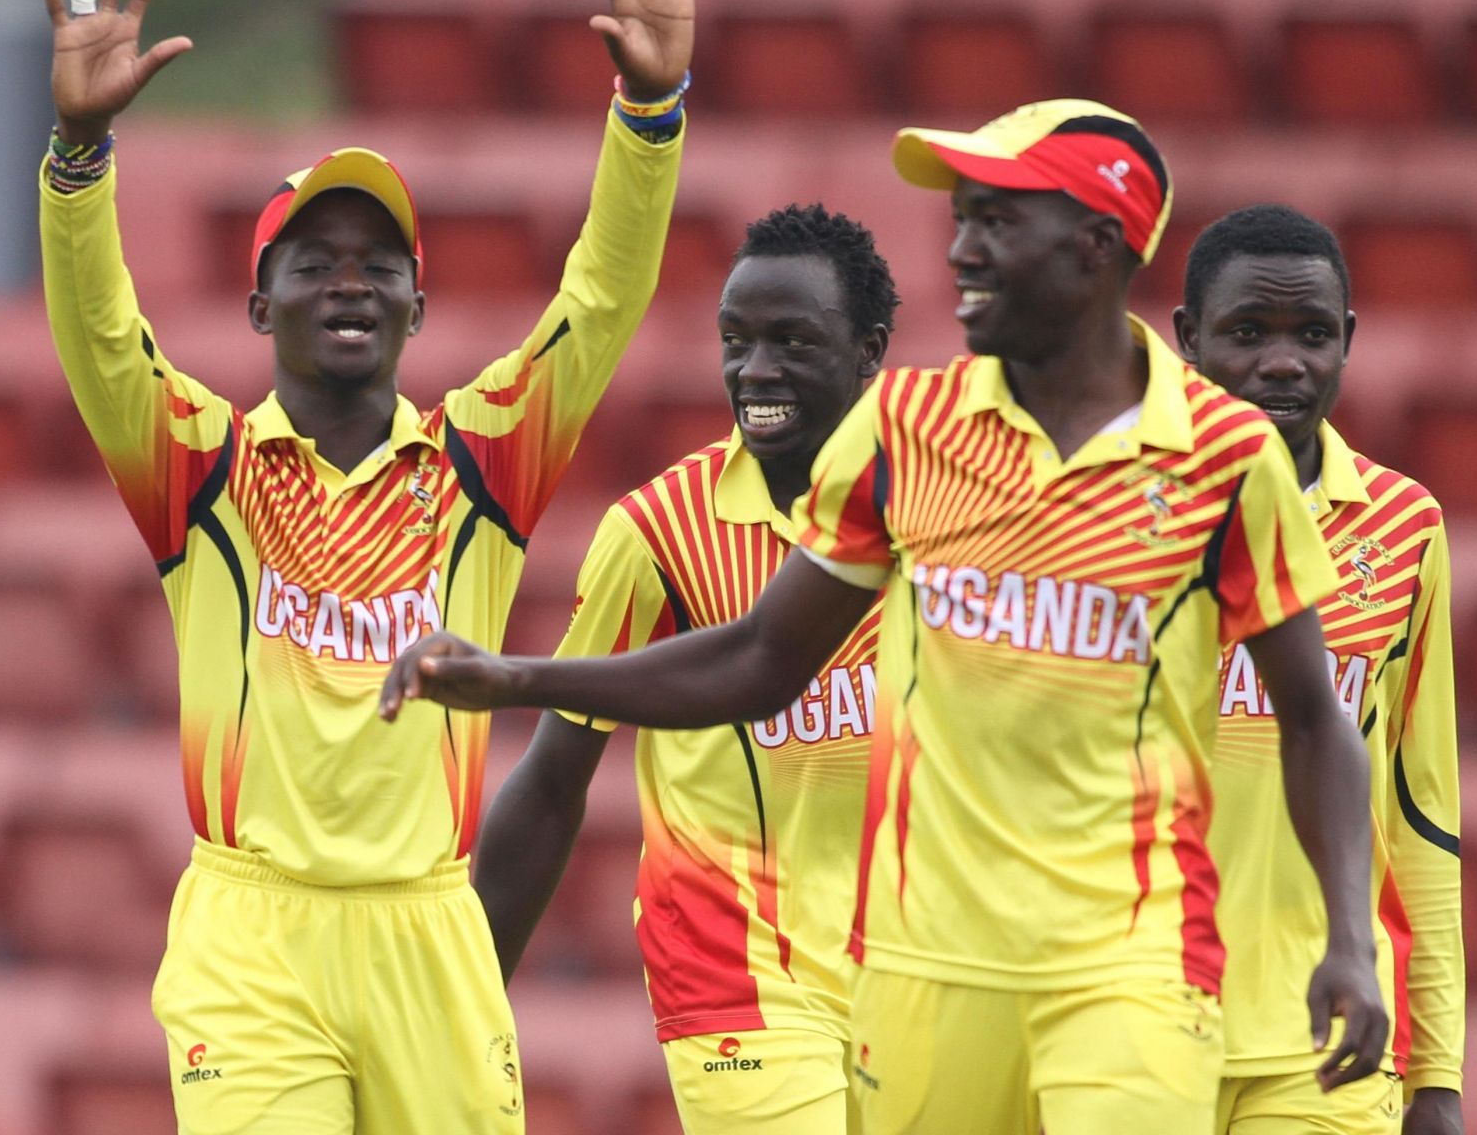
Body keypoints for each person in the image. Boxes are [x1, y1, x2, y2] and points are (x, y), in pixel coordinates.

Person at [383, 100, 1390, 1134]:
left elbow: (1317, 720)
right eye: (962, 220)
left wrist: (1348, 936)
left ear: (1098, 246)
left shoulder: (1228, 458)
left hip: (1132, 959)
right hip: (924, 967)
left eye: (997, 222)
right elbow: (766, 656)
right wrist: (519, 678)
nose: (962, 249)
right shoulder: (908, 429)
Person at [38, 0, 707, 1133]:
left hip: (429, 929)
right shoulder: (202, 467)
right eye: (313, 261)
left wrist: (649, 121)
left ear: (415, 301)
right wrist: (81, 154)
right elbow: (96, 332)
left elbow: (601, 299)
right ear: (259, 304)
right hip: (255, 936)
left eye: (377, 260)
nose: (349, 278)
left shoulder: (482, 462)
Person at [475, 204, 897, 1134]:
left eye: (792, 341)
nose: (756, 372)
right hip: (735, 974)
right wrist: (456, 1005)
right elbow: (553, 781)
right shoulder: (659, 533)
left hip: (919, 969)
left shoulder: (940, 521)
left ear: (869, 350)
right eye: (736, 341)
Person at [1173, 204, 1463, 1135]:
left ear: (1349, 341)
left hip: (1326, 1040)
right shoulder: (1111, 510)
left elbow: (1421, 814)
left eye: (1312, 334)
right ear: (1188, 341)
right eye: (1246, 333)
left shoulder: (1404, 526)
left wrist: (1440, 1077)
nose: (1282, 362)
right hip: (1130, 1021)